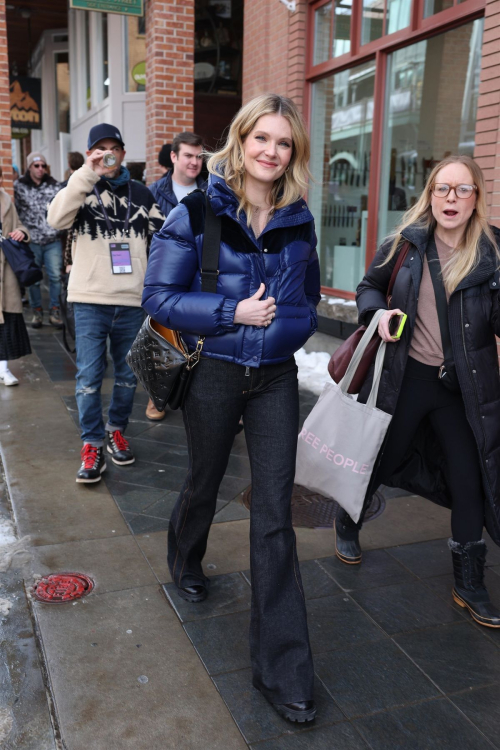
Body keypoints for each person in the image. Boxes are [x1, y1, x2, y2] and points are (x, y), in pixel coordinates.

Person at [143, 93, 321, 722]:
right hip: (215, 372)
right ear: (241, 142)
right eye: (261, 139)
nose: (271, 152)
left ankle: (284, 671)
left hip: (274, 379)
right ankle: (185, 554)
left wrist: (291, 329)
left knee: (274, 516)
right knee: (205, 481)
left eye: (284, 143)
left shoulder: (299, 218)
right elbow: (158, 297)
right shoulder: (196, 210)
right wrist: (231, 313)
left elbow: (308, 296)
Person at [334, 155, 500, 629]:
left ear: (476, 198)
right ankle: (349, 517)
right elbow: (369, 287)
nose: (451, 199)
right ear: (430, 193)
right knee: (383, 459)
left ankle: (468, 583)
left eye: (462, 190)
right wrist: (376, 314)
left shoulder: (493, 254)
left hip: (463, 388)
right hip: (406, 378)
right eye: (443, 189)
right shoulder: (403, 244)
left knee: (470, 480)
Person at [47, 123, 164, 484]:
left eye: (113, 148)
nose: (108, 154)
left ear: (124, 153)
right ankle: (92, 442)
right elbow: (55, 220)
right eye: (100, 149)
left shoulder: (142, 194)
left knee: (129, 376)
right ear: (91, 152)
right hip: (89, 299)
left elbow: (162, 242)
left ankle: (115, 429)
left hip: (131, 300)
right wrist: (86, 171)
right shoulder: (80, 189)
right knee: (88, 376)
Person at [145, 132, 207, 422]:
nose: (195, 162)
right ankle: (157, 395)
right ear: (173, 157)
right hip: (167, 277)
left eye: (199, 156)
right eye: (188, 156)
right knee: (162, 336)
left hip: (204, 278)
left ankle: (214, 398)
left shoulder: (212, 190)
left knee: (202, 339)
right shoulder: (154, 193)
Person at [14, 152, 62, 329]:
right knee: (33, 278)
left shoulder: (54, 186)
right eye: (36, 166)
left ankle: (55, 311)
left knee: (55, 277)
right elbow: (15, 212)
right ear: (29, 167)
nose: (40, 169)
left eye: (43, 165)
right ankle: (37, 312)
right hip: (31, 240)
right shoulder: (19, 186)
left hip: (52, 239)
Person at [0, 165, 31, 385]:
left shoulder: (6, 201)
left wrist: (22, 232)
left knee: (6, 321)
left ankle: (3, 368)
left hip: (6, 269)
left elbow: (20, 225)